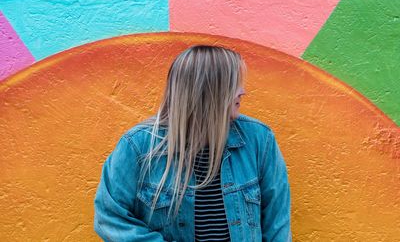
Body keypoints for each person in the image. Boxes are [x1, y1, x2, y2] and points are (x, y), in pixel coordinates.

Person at [94, 45, 292, 241]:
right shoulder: (138, 146)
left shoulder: (259, 139)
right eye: (234, 84)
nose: (242, 92)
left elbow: (277, 227)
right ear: (208, 91)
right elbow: (109, 218)